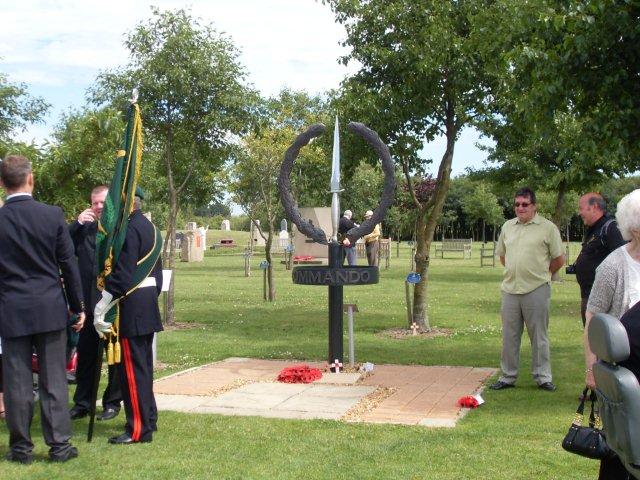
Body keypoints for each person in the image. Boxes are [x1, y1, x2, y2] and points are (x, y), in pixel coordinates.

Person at [0, 155, 85, 463]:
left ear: (2, 183)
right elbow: (69, 265)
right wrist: (79, 307)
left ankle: (21, 449)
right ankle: (60, 446)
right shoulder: (52, 216)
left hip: (11, 309)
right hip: (49, 308)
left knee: (17, 383)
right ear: (31, 179)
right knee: (53, 381)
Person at [93, 187, 163, 444]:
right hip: (146, 306)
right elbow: (156, 277)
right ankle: (149, 419)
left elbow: (122, 275)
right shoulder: (150, 227)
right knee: (143, 369)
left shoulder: (129, 229)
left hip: (130, 307)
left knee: (132, 372)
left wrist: (102, 304)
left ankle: (138, 430)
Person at [491, 187, 564, 392]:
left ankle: (543, 377)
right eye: (517, 204)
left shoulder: (548, 228)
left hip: (537, 290)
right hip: (510, 290)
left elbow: (559, 259)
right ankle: (507, 377)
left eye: (525, 204)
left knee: (539, 336)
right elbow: (503, 256)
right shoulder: (507, 226)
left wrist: (543, 275)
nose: (520, 208)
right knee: (509, 336)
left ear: (534, 206)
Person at [68, 185, 122, 422]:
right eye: (95, 203)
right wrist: (77, 224)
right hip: (88, 306)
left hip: (111, 305)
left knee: (113, 358)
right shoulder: (84, 229)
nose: (98, 207)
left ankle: (111, 403)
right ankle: (83, 403)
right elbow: (62, 247)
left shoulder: (119, 230)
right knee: (87, 358)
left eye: (102, 202)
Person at [584, 189, 640, 390]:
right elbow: (593, 316)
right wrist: (591, 369)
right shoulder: (613, 266)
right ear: (635, 229)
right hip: (625, 370)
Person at [573, 192, 626, 326]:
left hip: (604, 302)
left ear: (594, 207)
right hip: (589, 297)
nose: (579, 213)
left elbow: (623, 262)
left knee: (602, 342)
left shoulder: (611, 228)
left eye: (581, 208)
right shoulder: (594, 229)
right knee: (592, 340)